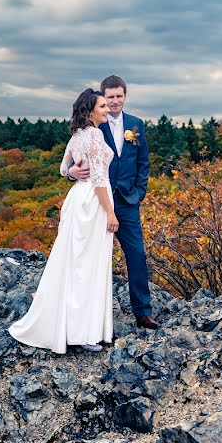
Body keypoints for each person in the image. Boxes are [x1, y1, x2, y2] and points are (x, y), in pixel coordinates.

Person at [8, 89, 117, 353]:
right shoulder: (94, 135)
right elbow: (100, 179)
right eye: (102, 106)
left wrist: (70, 172)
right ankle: (82, 332)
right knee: (86, 265)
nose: (107, 109)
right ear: (90, 111)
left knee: (75, 262)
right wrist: (111, 214)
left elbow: (62, 167)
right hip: (93, 202)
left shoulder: (77, 135)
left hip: (79, 198)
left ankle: (73, 326)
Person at [68, 75, 159, 329]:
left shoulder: (136, 125)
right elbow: (72, 160)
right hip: (99, 202)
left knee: (137, 256)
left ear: (125, 96)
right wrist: (69, 173)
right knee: (93, 258)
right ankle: (90, 318)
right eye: (110, 98)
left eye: (120, 96)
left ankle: (143, 313)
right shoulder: (93, 128)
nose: (115, 102)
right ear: (102, 99)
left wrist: (139, 192)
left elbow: (143, 163)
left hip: (127, 201)